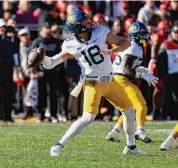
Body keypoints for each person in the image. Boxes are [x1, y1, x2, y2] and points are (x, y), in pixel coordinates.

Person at [28, 11, 147, 156]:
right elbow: (51, 63)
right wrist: (43, 58)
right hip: (93, 84)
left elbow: (126, 42)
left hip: (110, 81)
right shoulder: (70, 45)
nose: (89, 22)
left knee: (129, 111)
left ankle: (131, 147)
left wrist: (114, 49)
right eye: (84, 22)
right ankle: (58, 145)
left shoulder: (101, 32)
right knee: (88, 117)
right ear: (77, 28)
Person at [106, 22, 158, 143]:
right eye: (142, 34)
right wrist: (141, 74)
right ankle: (140, 131)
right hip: (121, 78)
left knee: (128, 108)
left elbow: (128, 66)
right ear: (135, 35)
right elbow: (126, 69)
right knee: (141, 105)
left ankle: (114, 132)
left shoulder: (131, 45)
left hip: (116, 78)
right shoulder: (133, 47)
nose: (145, 37)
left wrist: (139, 69)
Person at [30, 22, 61, 123]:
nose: (48, 29)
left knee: (53, 94)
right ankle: (40, 114)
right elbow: (31, 59)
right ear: (42, 29)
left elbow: (60, 55)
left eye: (49, 27)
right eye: (46, 28)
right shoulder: (37, 42)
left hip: (53, 71)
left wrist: (58, 68)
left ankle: (53, 115)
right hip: (41, 72)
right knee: (41, 94)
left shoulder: (55, 41)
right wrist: (34, 71)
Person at [157, 21, 178, 120]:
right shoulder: (165, 45)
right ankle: (164, 114)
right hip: (169, 75)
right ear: (171, 32)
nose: (177, 34)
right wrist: (164, 76)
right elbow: (161, 62)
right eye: (175, 32)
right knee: (168, 96)